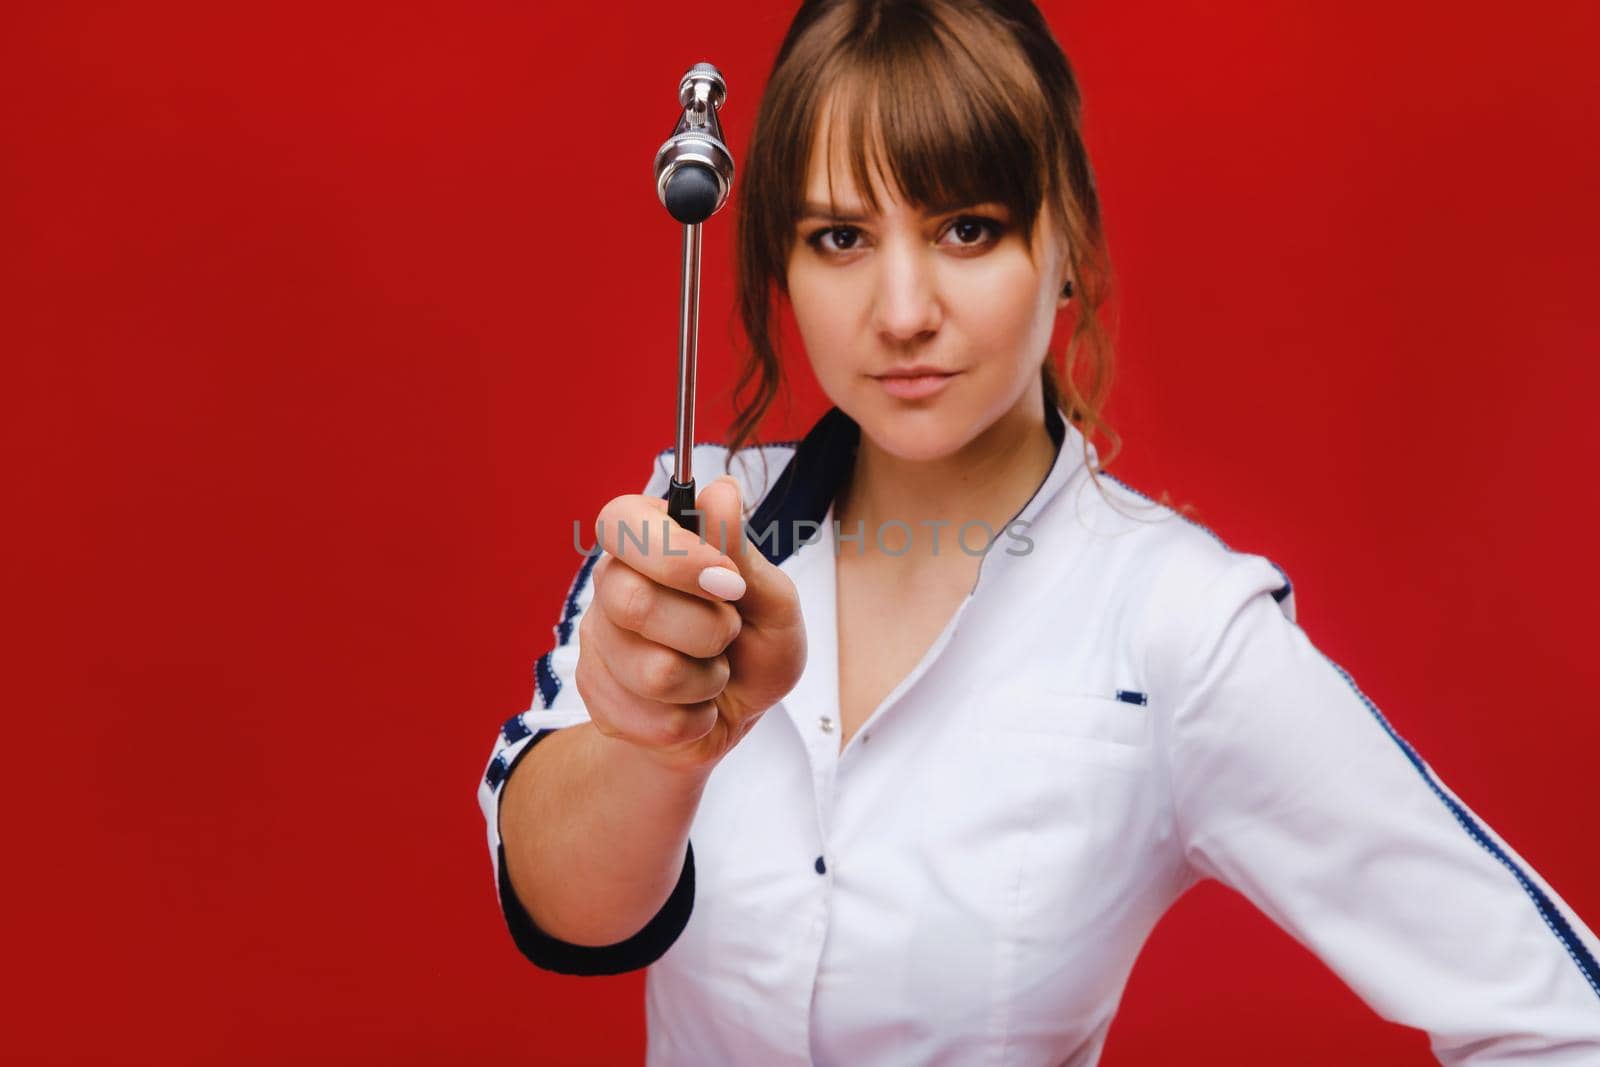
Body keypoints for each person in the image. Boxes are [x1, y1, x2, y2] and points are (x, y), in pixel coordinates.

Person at [477, 1, 1600, 1063]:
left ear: (1068, 244)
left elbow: (1555, 1015)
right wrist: (660, 740)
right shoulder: (688, 531)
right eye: (838, 237)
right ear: (778, 257)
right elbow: (565, 914)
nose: (904, 309)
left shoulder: (1177, 626)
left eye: (968, 228)